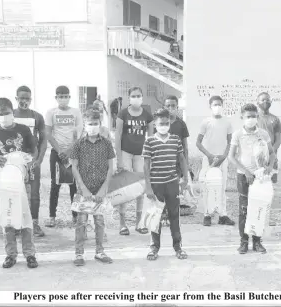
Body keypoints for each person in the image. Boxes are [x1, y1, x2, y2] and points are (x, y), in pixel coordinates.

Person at [0, 98, 39, 269]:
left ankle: (29, 254)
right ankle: (10, 254)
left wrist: (31, 162)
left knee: (24, 215)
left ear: (12, 112)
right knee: (8, 216)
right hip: (2, 180)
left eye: (7, 113)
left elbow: (33, 149)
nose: (4, 117)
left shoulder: (23, 130)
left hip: (22, 179)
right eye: (0, 114)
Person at [69, 109, 115, 266]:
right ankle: (78, 253)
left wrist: (103, 189)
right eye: (90, 124)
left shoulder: (107, 144)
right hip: (84, 191)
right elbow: (74, 168)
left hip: (100, 190)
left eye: (96, 123)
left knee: (100, 221)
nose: (93, 126)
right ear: (85, 124)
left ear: (100, 124)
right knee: (81, 222)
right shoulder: (78, 145)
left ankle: (100, 251)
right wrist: (84, 189)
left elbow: (111, 168)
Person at [143, 108, 190, 261]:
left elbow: (182, 159)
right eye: (161, 123)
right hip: (156, 185)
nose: (164, 125)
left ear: (169, 123)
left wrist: (185, 179)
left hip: (172, 183)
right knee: (155, 217)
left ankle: (178, 247)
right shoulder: (149, 141)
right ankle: (154, 248)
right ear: (155, 124)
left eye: (166, 123)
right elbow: (146, 165)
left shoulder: (175, 139)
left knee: (174, 216)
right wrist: (148, 187)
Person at [228, 103, 276, 254]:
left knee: (259, 209)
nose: (251, 119)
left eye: (254, 116)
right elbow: (231, 157)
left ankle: (257, 242)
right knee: (244, 209)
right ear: (242, 117)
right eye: (248, 117)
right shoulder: (237, 135)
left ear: (257, 117)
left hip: (260, 177)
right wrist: (246, 172)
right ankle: (243, 242)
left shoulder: (263, 134)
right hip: (244, 177)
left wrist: (269, 167)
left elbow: (272, 153)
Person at [115, 87, 154, 235]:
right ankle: (122, 224)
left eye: (138, 96)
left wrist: (150, 159)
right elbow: (117, 137)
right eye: (133, 96)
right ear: (129, 97)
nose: (136, 98)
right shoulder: (122, 113)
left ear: (142, 97)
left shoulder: (147, 115)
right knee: (124, 188)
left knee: (140, 188)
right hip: (125, 153)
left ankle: (139, 222)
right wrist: (119, 159)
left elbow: (150, 139)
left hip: (141, 155)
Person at [45, 86, 83, 227]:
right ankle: (52, 216)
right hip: (56, 153)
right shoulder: (51, 113)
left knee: (73, 185)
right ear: (56, 98)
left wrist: (68, 151)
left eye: (65, 96)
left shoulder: (76, 112)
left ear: (69, 97)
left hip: (73, 152)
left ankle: (75, 216)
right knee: (55, 185)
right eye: (60, 96)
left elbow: (79, 134)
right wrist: (60, 150)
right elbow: (48, 133)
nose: (63, 99)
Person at [13, 86, 47, 237]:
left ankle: (34, 223)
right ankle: (16, 224)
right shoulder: (10, 115)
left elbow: (44, 139)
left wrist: (39, 159)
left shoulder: (37, 116)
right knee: (15, 192)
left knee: (34, 193)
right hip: (13, 162)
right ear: (16, 99)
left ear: (31, 99)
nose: (24, 101)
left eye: (27, 98)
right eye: (22, 98)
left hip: (32, 160)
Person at [196, 95, 235, 226]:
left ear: (222, 106)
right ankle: (207, 215)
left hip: (222, 159)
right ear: (210, 106)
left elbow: (230, 142)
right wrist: (209, 155)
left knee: (222, 187)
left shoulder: (227, 122)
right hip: (208, 159)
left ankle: (222, 215)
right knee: (207, 186)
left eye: (219, 104)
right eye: (214, 105)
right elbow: (198, 142)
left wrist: (224, 156)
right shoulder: (206, 122)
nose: (217, 107)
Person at [256, 92, 281, 184]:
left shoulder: (275, 119)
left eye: (267, 100)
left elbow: (278, 140)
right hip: (257, 156)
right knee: (257, 181)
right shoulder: (254, 118)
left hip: (272, 156)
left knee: (270, 182)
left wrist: (270, 152)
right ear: (257, 102)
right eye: (262, 100)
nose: (265, 102)